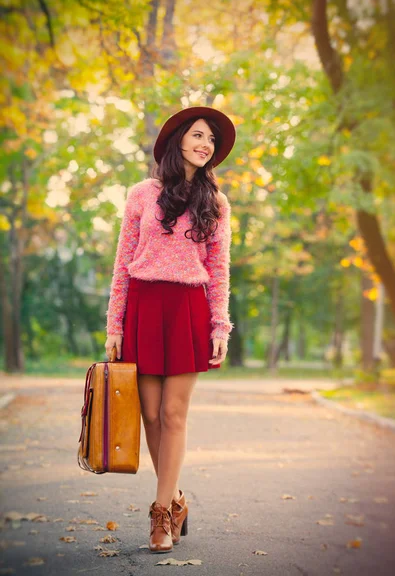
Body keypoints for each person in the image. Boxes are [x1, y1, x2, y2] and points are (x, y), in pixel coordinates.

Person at [104, 106, 236, 553]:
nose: (206, 145)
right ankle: (176, 500)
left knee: (175, 415)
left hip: (187, 308)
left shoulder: (215, 202)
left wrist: (221, 323)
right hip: (143, 303)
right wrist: (114, 324)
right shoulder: (142, 194)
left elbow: (218, 269)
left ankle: (160, 517)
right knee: (152, 416)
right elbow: (122, 264)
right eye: (199, 135)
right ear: (178, 139)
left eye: (212, 141)